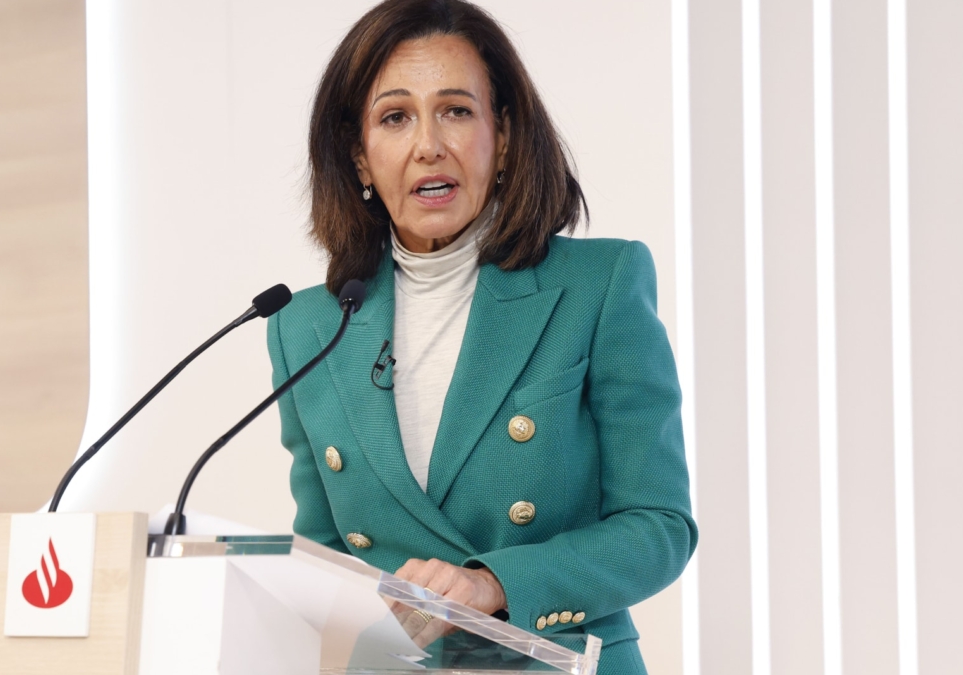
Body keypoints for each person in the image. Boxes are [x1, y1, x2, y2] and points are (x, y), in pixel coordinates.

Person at [267, 0, 696, 671]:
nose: (428, 144)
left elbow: (660, 527)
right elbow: (324, 559)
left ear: (502, 136)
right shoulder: (307, 327)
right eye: (395, 116)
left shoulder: (600, 284)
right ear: (358, 157)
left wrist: (494, 582)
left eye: (457, 110)